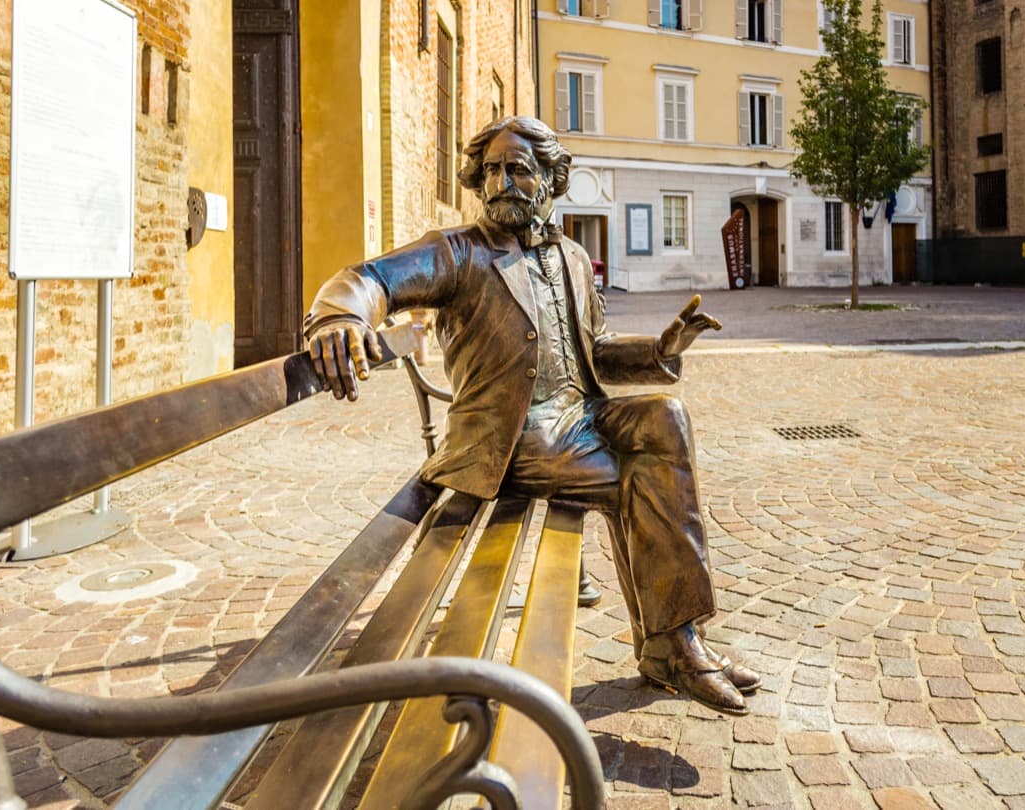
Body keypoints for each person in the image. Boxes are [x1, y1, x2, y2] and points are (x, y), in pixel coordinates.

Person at [303, 116, 759, 715]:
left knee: (664, 419)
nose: (501, 182)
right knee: (646, 482)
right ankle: (673, 644)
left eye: (517, 169)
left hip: (579, 418)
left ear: (549, 179)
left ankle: (672, 643)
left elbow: (593, 350)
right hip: (513, 438)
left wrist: (659, 351)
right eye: (490, 170)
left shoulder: (570, 256)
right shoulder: (458, 253)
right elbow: (369, 279)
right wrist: (340, 316)